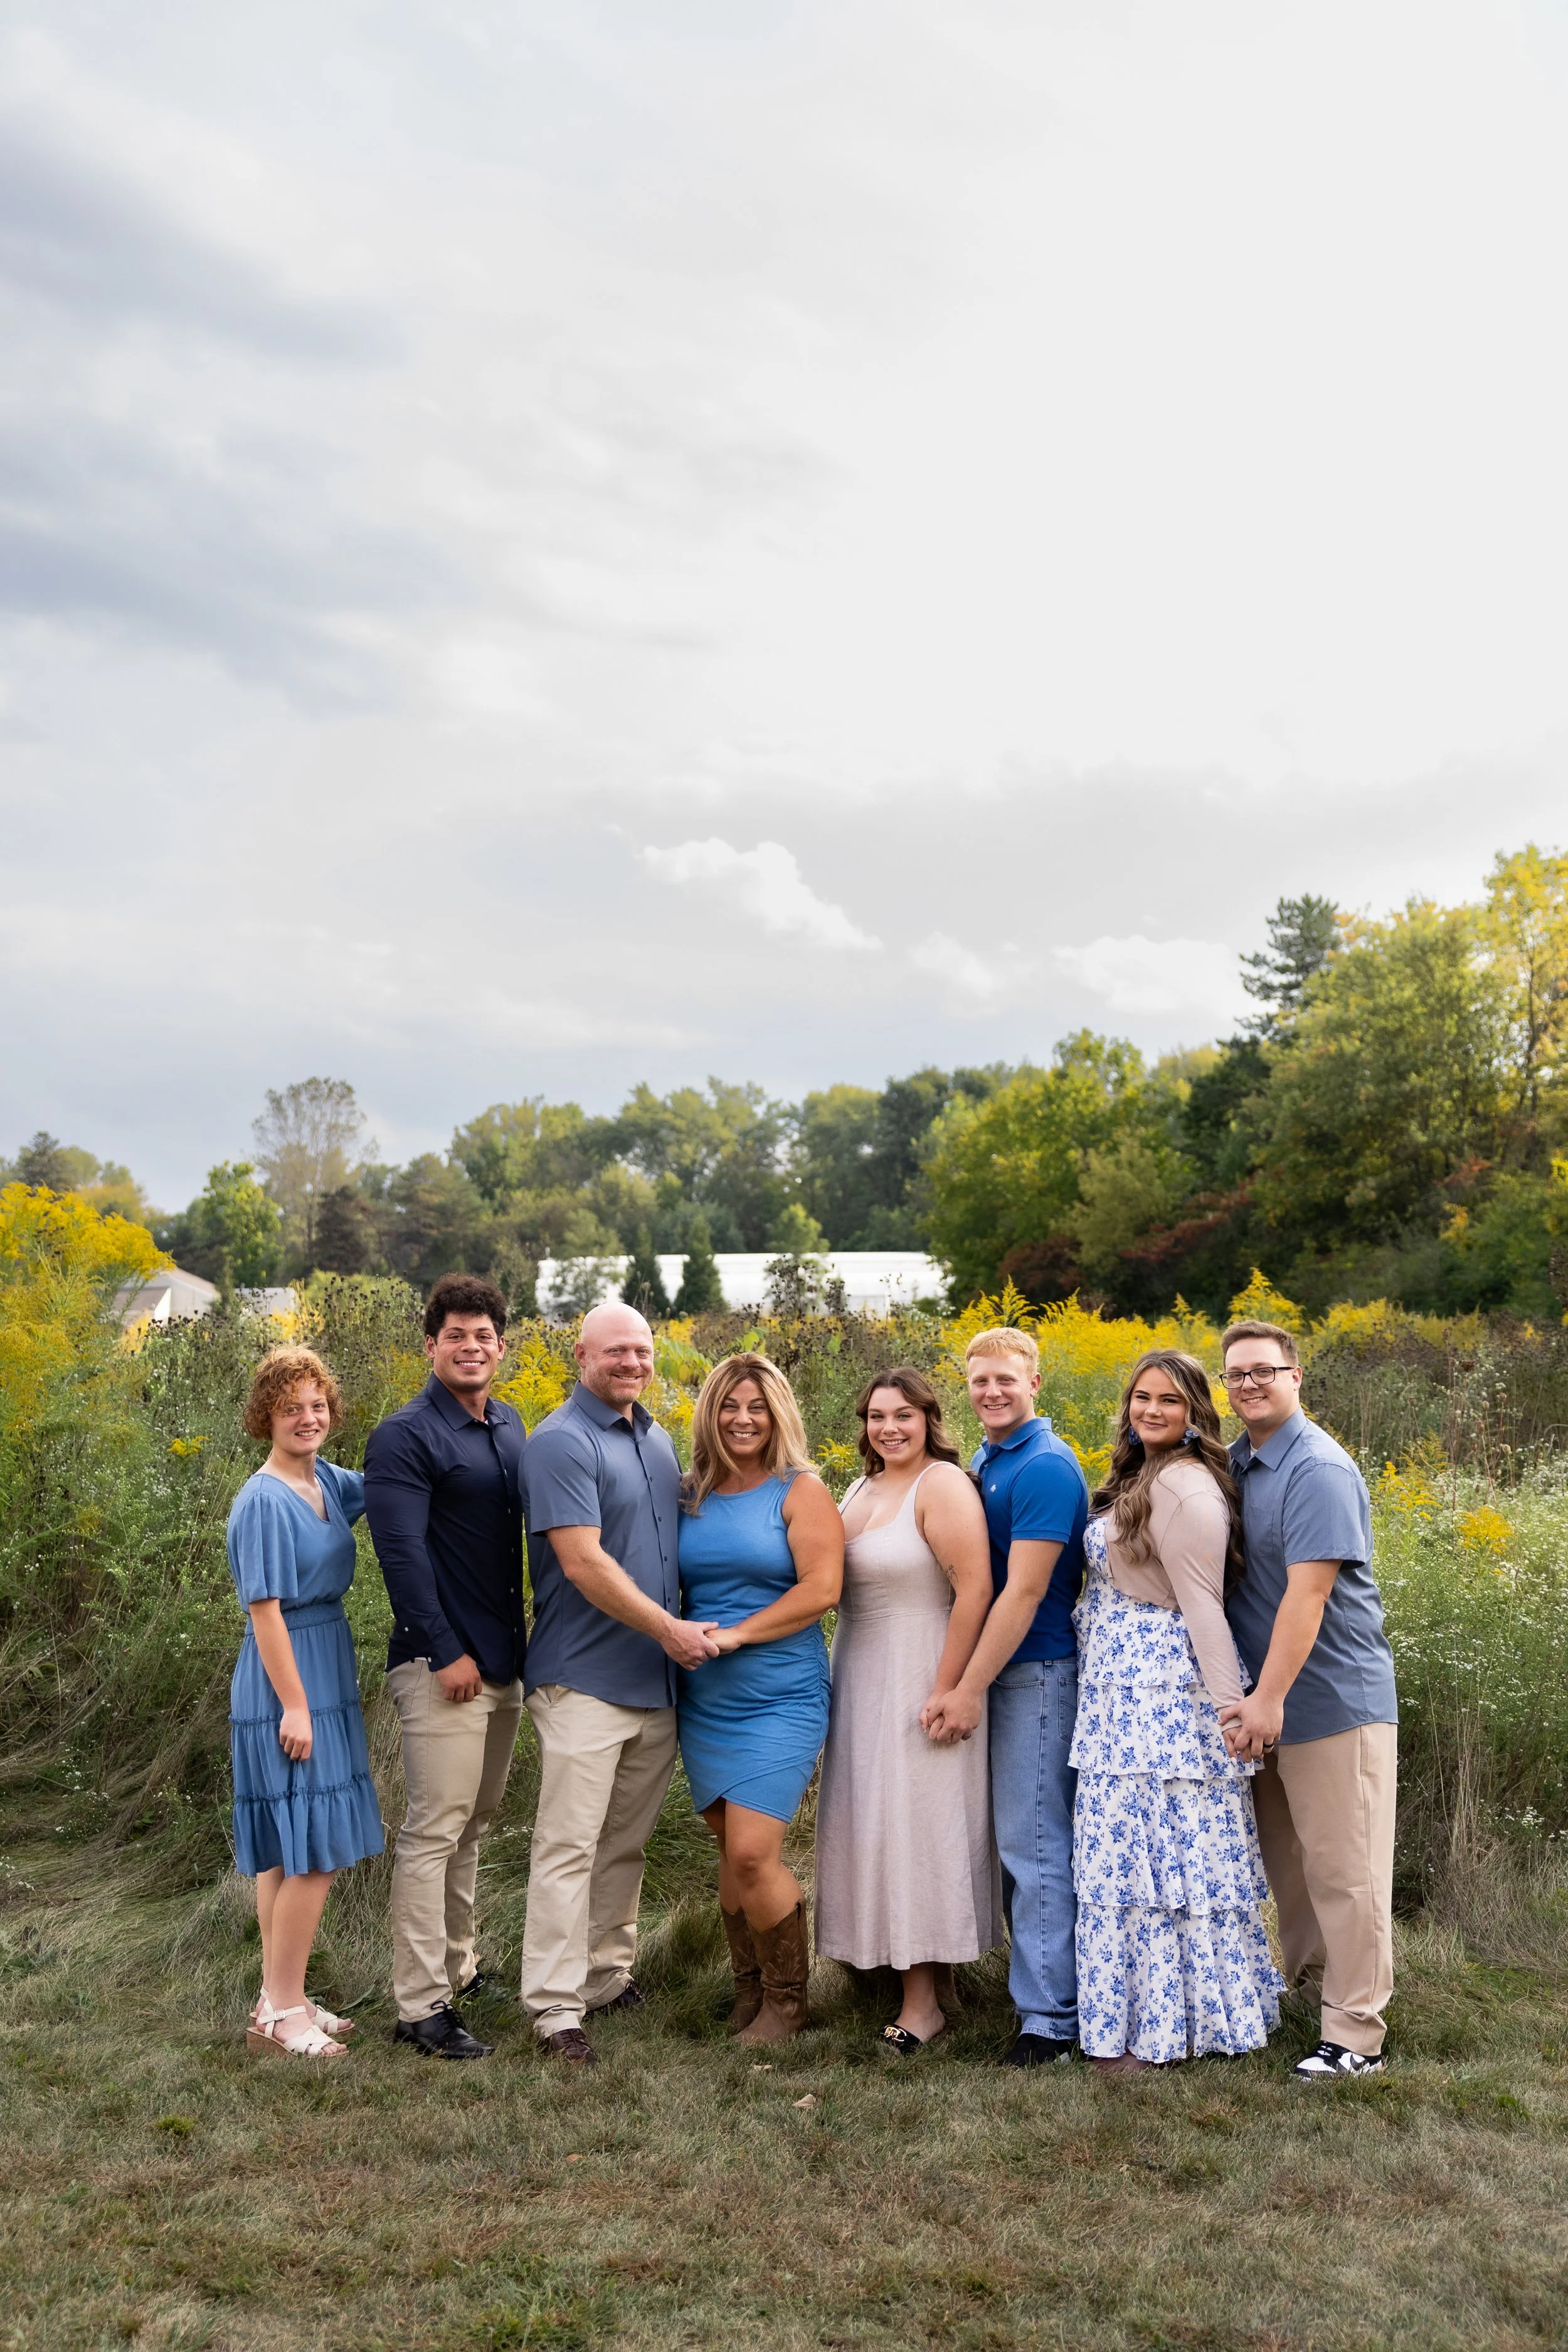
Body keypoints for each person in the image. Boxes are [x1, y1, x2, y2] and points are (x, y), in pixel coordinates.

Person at [521, 1301, 719, 2067]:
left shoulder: (658, 1439)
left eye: (641, 1350)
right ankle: (553, 2006)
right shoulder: (560, 1443)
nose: (632, 1362)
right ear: (581, 1356)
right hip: (582, 1679)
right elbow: (582, 1561)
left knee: (624, 1846)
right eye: (615, 1352)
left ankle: (605, 1976)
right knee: (567, 1846)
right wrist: (669, 1630)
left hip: (652, 1686)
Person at [1073, 1350, 1281, 2071]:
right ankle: (1132, 2022)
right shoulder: (1142, 1474)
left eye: (1168, 1400)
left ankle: (1169, 2030)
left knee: (1163, 1869)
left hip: (1161, 1700)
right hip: (1117, 1699)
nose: (1151, 1410)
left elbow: (1203, 1606)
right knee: (1125, 1865)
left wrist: (1234, 1711)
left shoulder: (1186, 1487)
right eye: (1140, 1397)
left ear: (1195, 1412)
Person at [1217, 1318, 1399, 2081]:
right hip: (1268, 1705)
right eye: (1236, 1375)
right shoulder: (1235, 1462)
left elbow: (1309, 1596)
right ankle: (1309, 1999)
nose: (1249, 1384)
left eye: (1264, 1370)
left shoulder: (1317, 1469)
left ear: (1296, 1376)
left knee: (1345, 1872)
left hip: (1329, 1703)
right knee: (1288, 1870)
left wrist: (1265, 1700)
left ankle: (1355, 2036)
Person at [363, 1273, 526, 2062]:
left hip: (504, 1662)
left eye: (484, 1335)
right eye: (455, 1335)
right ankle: (420, 2005)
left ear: (502, 1346)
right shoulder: (404, 1436)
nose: (471, 1347)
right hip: (442, 1666)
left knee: (474, 1823)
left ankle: (458, 1970)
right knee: (434, 1830)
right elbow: (397, 1552)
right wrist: (443, 1649)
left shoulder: (509, 1424)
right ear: (430, 1346)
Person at [815, 1367, 1001, 2053]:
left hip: (922, 1670)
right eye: (875, 1416)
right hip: (862, 1675)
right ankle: (904, 1975)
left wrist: (952, 1688)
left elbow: (974, 1589)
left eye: (903, 1416)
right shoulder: (861, 1486)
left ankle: (924, 2004)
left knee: (918, 1831)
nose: (888, 1428)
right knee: (874, 1825)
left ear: (929, 1419)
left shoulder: (942, 1484)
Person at [923, 1327, 1088, 2067]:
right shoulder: (990, 1458)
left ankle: (1050, 2022)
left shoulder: (1047, 1468)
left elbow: (1022, 1595)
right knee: (1011, 1842)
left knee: (1037, 1845)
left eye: (1005, 1381)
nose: (991, 1392)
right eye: (978, 1380)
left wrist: (966, 1689)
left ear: (1035, 1383)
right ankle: (1030, 1994)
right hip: (1000, 1674)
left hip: (1036, 1677)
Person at [677, 1354, 843, 2047]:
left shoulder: (799, 1490)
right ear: (709, 1414)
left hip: (780, 1695)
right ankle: (747, 1993)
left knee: (751, 1852)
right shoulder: (688, 1491)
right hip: (703, 1696)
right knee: (728, 1849)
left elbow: (821, 1589)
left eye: (757, 1407)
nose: (742, 1419)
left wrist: (740, 1635)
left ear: (779, 1415)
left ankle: (788, 2006)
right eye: (728, 1406)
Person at [227, 1347, 384, 2059]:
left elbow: (390, 1484)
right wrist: (295, 1706)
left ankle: (276, 1997)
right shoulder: (262, 1500)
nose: (306, 1418)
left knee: (288, 1851)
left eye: (317, 1405)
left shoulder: (325, 1479)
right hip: (286, 1673)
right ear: (266, 1416)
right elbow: (263, 1611)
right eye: (291, 1408)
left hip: (325, 1661)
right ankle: (283, 2009)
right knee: (312, 1850)